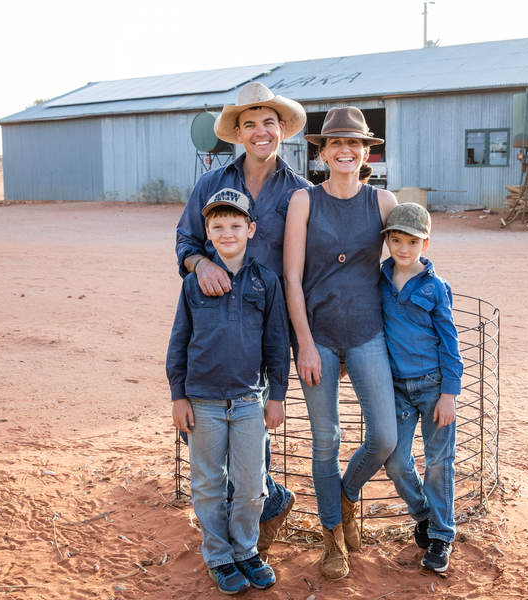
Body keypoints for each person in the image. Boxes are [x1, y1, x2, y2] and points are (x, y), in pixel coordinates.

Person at [176, 81, 310, 551]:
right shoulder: (212, 185)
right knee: (224, 414)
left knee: (255, 413)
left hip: (272, 318)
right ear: (236, 132)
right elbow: (185, 243)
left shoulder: (300, 192)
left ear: (281, 130)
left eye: (268, 123)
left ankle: (255, 512)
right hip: (219, 321)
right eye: (249, 123)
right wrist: (202, 263)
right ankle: (256, 513)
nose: (260, 132)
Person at [283, 107, 398, 580]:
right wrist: (305, 344)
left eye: (355, 143)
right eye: (336, 143)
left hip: (369, 332)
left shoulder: (384, 201)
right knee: (325, 440)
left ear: (367, 151)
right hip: (320, 337)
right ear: (322, 151)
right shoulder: (304, 202)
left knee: (384, 438)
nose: (346, 151)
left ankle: (346, 496)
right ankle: (332, 535)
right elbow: (291, 277)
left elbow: (406, 260)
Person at [167, 191, 290, 595]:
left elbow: (275, 342)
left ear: (251, 229)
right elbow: (179, 341)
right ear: (207, 232)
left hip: (248, 401)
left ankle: (246, 549)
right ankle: (218, 555)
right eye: (217, 226)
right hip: (202, 400)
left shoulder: (265, 282)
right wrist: (178, 395)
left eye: (236, 225)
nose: (227, 233)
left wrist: (277, 396)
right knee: (207, 482)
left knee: (251, 482)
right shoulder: (193, 285)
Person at [380, 203, 464, 574]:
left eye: (412, 241)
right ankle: (424, 515)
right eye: (395, 240)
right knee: (395, 459)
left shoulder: (435, 287)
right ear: (387, 241)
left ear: (425, 244)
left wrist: (449, 394)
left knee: (438, 461)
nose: (403, 248)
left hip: (432, 387)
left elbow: (450, 340)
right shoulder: (379, 279)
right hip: (396, 387)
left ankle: (442, 535)